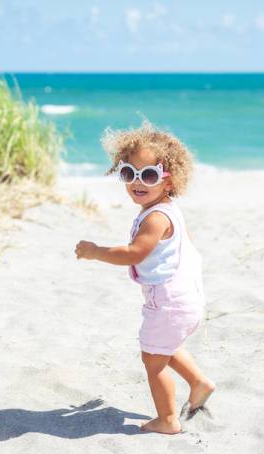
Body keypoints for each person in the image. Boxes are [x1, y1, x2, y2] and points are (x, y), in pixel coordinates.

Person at [75, 123, 215, 435]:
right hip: (184, 299)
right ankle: (199, 382)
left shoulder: (155, 218)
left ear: (169, 181)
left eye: (148, 175)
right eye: (129, 173)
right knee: (163, 345)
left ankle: (167, 420)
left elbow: (133, 253)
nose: (137, 182)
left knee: (153, 362)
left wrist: (96, 251)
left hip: (170, 303)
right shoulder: (168, 210)